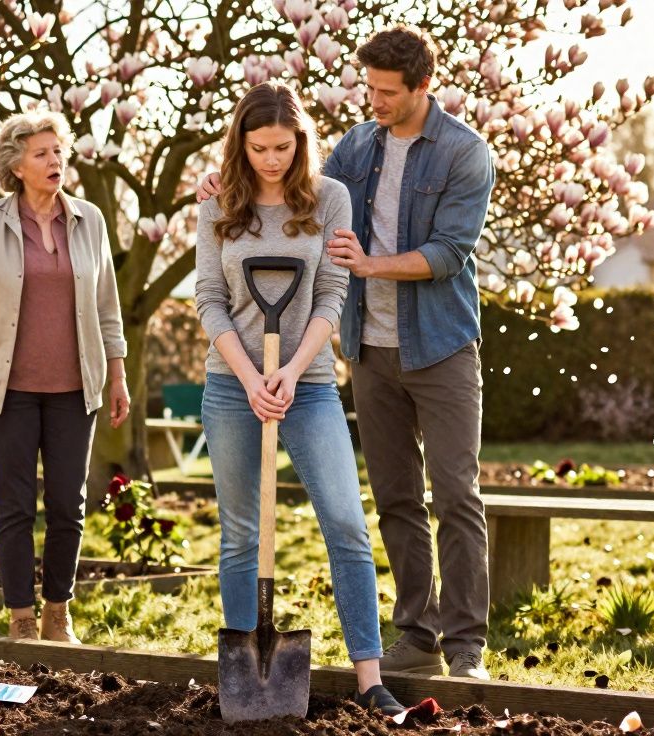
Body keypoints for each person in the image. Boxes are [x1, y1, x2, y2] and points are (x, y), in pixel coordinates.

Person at [198, 26, 496, 680]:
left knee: (453, 492)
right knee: (394, 497)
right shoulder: (356, 146)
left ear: (422, 87)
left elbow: (451, 252)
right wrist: (223, 188)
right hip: (366, 348)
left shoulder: (463, 152)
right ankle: (415, 635)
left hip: (440, 343)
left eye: (387, 92)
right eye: (369, 87)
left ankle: (466, 646)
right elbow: (293, 199)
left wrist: (370, 264)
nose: (375, 101)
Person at [195, 81, 404, 716]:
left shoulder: (329, 198)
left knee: (345, 522)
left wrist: (287, 370)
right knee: (239, 534)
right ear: (241, 144)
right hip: (233, 385)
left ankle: (369, 677)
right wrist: (252, 376)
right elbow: (209, 299)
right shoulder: (219, 204)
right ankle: (243, 680)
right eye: (257, 147)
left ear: (301, 141)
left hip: (308, 384)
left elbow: (331, 296)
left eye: (283, 146)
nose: (271, 159)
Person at [0, 110, 130, 644]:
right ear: (15, 166)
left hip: (75, 389)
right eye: (41, 154)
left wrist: (117, 374)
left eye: (58, 151)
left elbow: (106, 305)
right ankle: (20, 618)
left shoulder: (89, 220)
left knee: (68, 505)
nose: (54, 161)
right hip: (7, 391)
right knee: (14, 506)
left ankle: (57, 612)